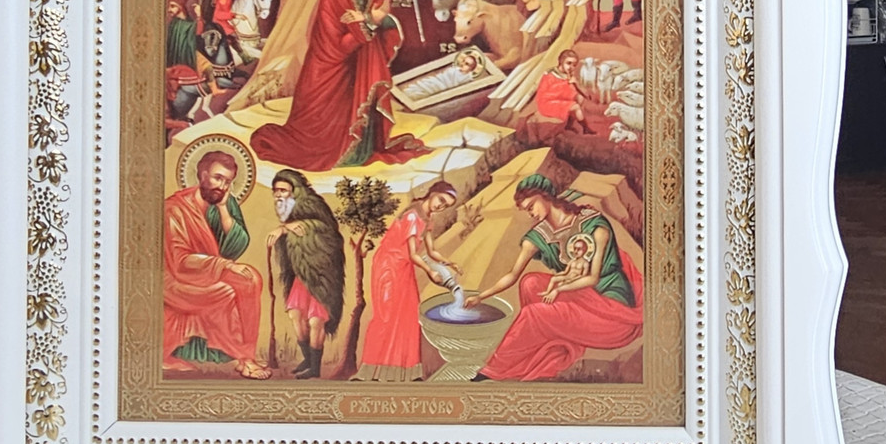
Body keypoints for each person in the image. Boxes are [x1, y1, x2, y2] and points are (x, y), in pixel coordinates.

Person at [251, 0, 424, 171]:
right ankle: (340, 151)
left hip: (362, 71)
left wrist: (369, 19)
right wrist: (368, 24)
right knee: (316, 136)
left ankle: (362, 150)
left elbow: (387, 35)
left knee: (365, 105)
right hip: (329, 72)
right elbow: (333, 45)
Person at [466, 173, 643, 382]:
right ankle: (544, 337)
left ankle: (492, 370)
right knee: (530, 283)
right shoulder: (538, 236)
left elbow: (593, 278)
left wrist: (558, 288)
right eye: (526, 210)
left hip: (612, 313)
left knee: (534, 314)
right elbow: (512, 275)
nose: (530, 213)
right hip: (582, 298)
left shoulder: (594, 225)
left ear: (544, 196)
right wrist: (481, 297)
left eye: (531, 206)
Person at [163, 149, 271, 379]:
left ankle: (247, 355)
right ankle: (244, 358)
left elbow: (236, 245)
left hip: (204, 270)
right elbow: (180, 261)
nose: (222, 186)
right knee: (226, 291)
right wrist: (226, 266)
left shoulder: (222, 203)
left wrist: (223, 209)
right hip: (175, 279)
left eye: (227, 182)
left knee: (251, 278)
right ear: (202, 174)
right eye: (217, 178)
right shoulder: (175, 209)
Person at [355, 181, 461, 382]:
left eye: (446, 205)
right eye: (441, 200)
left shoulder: (427, 218)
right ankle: (370, 371)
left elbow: (431, 250)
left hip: (404, 268)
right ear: (432, 193)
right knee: (386, 316)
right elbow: (413, 254)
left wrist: (449, 262)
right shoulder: (412, 216)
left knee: (409, 315)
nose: (441, 206)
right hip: (388, 266)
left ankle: (405, 371)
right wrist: (430, 271)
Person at [266, 168, 346, 380]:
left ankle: (315, 368)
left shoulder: (312, 204)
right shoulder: (288, 211)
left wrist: (291, 227)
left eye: (283, 190)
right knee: (295, 314)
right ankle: (308, 360)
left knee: (316, 320)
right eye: (276, 191)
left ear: (295, 190)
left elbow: (328, 230)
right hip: (301, 273)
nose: (279, 195)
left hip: (321, 275)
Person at [534, 49, 594, 133]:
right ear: (561, 62)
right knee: (576, 106)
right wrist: (564, 86)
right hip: (548, 103)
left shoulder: (569, 75)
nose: (571, 67)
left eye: (574, 65)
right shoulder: (550, 74)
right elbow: (543, 94)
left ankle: (568, 125)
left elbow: (586, 95)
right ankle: (586, 128)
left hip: (561, 100)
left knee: (580, 98)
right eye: (568, 63)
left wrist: (576, 83)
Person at [400, 48, 484, 103]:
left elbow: (454, 86)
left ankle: (413, 95)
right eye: (463, 61)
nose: (462, 64)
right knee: (426, 83)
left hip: (443, 87)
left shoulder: (467, 79)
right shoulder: (454, 69)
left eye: (467, 64)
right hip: (438, 81)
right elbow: (443, 76)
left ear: (472, 68)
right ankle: (409, 93)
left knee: (428, 91)